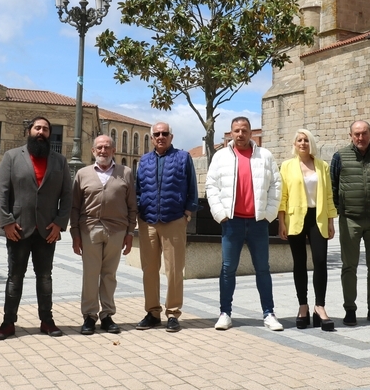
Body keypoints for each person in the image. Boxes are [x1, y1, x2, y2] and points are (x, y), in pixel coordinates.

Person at [0, 116, 72, 340]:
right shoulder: (11, 157)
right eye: (38, 128)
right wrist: (7, 222)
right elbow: (1, 192)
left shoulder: (60, 161)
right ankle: (8, 322)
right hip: (18, 228)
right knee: (14, 277)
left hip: (47, 230)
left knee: (45, 277)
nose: (41, 132)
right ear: (29, 131)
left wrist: (59, 224)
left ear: (49, 134)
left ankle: (47, 321)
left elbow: (67, 195)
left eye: (45, 129)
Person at [206, 116, 283, 332]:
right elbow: (211, 186)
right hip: (232, 223)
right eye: (236, 130)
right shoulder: (221, 156)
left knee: (263, 269)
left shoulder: (265, 155)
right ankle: (225, 313)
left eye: (244, 130)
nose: (240, 134)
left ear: (251, 133)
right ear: (231, 133)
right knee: (227, 269)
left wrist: (269, 214)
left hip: (258, 223)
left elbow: (276, 185)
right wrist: (220, 213)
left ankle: (269, 313)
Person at [135, 122, 199, 333]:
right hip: (148, 221)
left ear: (171, 136)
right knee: (149, 270)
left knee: (174, 270)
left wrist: (187, 212)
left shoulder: (183, 157)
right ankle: (153, 313)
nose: (160, 137)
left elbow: (192, 187)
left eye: (164, 133)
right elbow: (138, 189)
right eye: (157, 134)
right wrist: (139, 211)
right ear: (152, 138)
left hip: (174, 220)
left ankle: (172, 313)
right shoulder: (144, 160)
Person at [70, 135, 137, 335]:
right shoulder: (82, 174)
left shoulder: (125, 173)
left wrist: (130, 233)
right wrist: (75, 234)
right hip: (89, 229)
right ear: (93, 151)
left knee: (109, 274)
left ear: (113, 151)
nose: (103, 151)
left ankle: (107, 315)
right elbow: (74, 206)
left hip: (116, 230)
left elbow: (132, 206)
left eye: (107, 147)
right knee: (90, 274)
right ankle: (89, 316)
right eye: (99, 147)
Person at [331, 120, 370, 326]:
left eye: (364, 133)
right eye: (356, 134)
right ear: (350, 136)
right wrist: (341, 210)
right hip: (350, 220)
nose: (360, 137)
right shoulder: (339, 156)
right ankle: (350, 310)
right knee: (349, 266)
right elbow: (333, 186)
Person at [278, 129, 337, 332]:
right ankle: (302, 306)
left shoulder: (322, 166)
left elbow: (328, 195)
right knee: (299, 262)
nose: (303, 143)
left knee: (320, 261)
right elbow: (283, 196)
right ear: (295, 144)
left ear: (311, 143)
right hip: (295, 218)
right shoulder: (287, 166)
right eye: (299, 140)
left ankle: (319, 307)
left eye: (306, 140)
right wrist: (281, 222)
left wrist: (331, 221)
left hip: (317, 218)